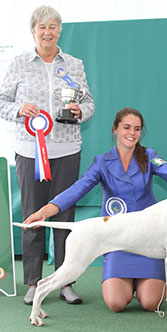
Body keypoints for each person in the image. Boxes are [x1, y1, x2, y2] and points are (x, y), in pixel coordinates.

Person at [24, 107, 167, 312]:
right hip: (116, 239)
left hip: (149, 239)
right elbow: (79, 188)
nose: (132, 133)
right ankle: (129, 284)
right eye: (126, 127)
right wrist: (45, 212)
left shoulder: (149, 156)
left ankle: (146, 284)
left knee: (151, 303)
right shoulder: (102, 162)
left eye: (137, 129)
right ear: (115, 130)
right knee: (116, 303)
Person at [0, 6, 95, 305]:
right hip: (30, 151)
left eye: (52, 26)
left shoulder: (75, 65)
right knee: (32, 217)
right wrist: (18, 110)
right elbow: (1, 101)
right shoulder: (18, 63)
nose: (47, 31)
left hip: (67, 150)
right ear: (33, 31)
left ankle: (66, 281)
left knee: (65, 218)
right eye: (42, 26)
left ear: (59, 31)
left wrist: (82, 112)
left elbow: (88, 102)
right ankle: (33, 281)